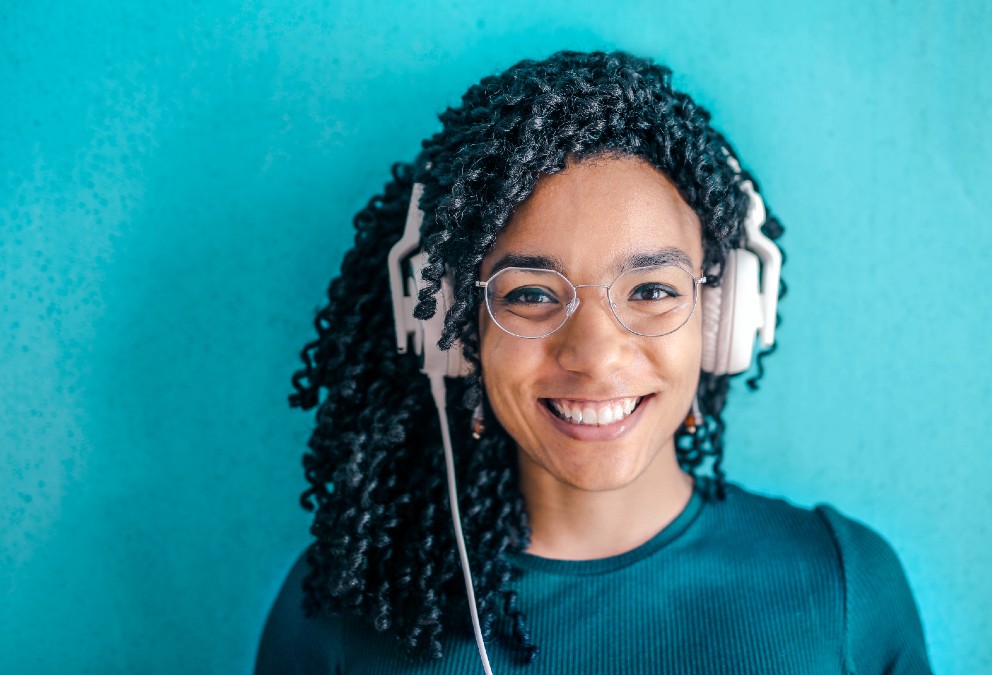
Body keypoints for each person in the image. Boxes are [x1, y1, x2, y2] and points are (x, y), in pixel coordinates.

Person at [256, 50, 931, 674]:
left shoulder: (844, 583)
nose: (596, 355)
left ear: (723, 317)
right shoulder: (343, 607)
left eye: (653, 290)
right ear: (450, 329)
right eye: (529, 294)